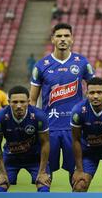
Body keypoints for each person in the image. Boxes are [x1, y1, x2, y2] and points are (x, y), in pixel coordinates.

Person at [30, 23, 95, 186]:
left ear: (72, 39)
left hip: (74, 129)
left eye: (66, 36)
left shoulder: (82, 63)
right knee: (44, 176)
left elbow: (96, 91)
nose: (63, 39)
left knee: (78, 177)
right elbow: (32, 101)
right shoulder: (41, 65)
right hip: (49, 129)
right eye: (59, 36)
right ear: (53, 39)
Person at [0, 86, 51, 192]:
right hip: (10, 158)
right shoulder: (0, 117)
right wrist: (2, 172)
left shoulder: (39, 116)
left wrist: (42, 172)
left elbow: (45, 143)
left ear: (28, 101)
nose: (19, 105)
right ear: (9, 102)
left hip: (35, 158)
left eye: (22, 102)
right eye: (15, 102)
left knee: (44, 187)